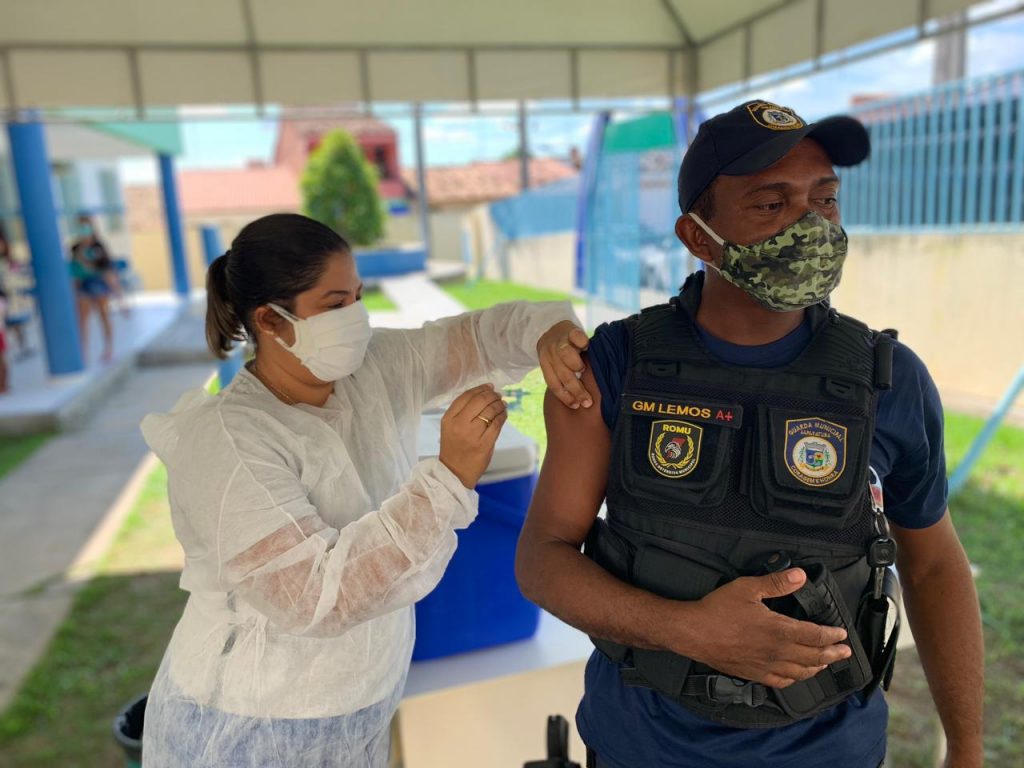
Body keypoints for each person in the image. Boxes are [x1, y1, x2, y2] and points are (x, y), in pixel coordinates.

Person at [515, 101, 983, 768]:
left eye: (825, 199)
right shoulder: (614, 365)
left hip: (832, 752)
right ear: (698, 237)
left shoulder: (890, 380)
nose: (811, 225)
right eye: (771, 204)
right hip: (640, 746)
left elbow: (934, 564)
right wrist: (685, 630)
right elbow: (543, 558)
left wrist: (966, 745)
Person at [139, 212, 593, 767]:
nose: (355, 318)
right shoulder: (229, 443)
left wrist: (545, 332)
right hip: (250, 720)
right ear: (271, 321)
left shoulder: (373, 370)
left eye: (357, 297)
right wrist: (449, 476)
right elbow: (314, 597)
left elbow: (480, 338)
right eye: (335, 305)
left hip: (360, 700)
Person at [69, 214, 115, 362]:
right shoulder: (75, 248)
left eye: (86, 226)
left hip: (99, 284)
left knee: (103, 316)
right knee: (82, 320)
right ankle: (83, 352)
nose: (83, 230)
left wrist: (118, 295)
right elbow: (74, 271)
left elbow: (106, 269)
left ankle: (108, 348)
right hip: (83, 285)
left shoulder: (99, 247)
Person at [0, 224, 34, 359]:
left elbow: (18, 274)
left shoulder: (9, 260)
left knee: (16, 322)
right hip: (5, 297)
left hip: (11, 297)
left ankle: (22, 346)